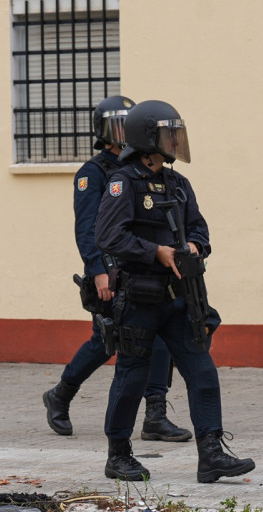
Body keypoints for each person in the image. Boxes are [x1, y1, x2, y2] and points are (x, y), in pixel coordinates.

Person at [95, 99, 255, 483]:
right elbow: (108, 235)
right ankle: (118, 454)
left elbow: (199, 228)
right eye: (169, 134)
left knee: (203, 373)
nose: (174, 141)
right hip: (139, 298)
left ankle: (212, 454)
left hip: (181, 297)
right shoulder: (124, 181)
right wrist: (156, 252)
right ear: (148, 138)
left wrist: (196, 246)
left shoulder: (178, 184)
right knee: (132, 377)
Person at [43, 96, 192, 443]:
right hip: (113, 271)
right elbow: (89, 229)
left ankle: (155, 413)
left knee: (157, 336)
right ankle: (61, 394)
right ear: (105, 132)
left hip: (145, 267)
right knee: (107, 339)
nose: (125, 132)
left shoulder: (144, 168)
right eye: (118, 125)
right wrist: (99, 271)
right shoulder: (93, 174)